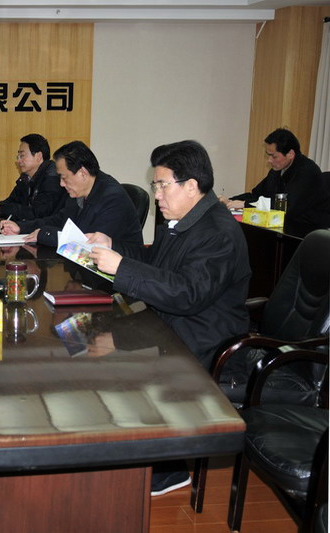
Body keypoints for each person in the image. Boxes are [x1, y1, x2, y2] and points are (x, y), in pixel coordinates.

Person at [89, 140, 251, 497]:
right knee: (97, 339)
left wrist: (122, 268)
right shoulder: (184, 221)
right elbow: (155, 264)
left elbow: (188, 294)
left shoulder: (219, 233)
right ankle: (131, 451)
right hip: (171, 326)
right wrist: (113, 246)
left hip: (205, 341)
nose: (157, 195)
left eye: (162, 185)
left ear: (191, 185)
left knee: (117, 359)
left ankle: (167, 469)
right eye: (155, 185)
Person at [0, 141, 143, 247]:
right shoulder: (79, 191)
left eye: (64, 178)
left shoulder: (112, 199)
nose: (62, 184)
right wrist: (21, 227)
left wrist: (44, 234)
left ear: (82, 173)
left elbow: (86, 243)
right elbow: (60, 220)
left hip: (117, 274)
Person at [221, 128, 330, 234]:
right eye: (268, 155)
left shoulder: (308, 172)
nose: (269, 160)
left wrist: (246, 204)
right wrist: (230, 201)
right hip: (282, 226)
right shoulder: (277, 170)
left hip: (307, 233)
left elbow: (285, 208)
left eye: (274, 156)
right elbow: (257, 195)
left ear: (290, 154)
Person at [0, 133, 63, 220]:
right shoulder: (26, 178)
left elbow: (39, 212)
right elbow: (12, 201)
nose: (18, 161)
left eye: (22, 156)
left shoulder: (52, 177)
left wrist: (2, 209)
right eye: (18, 157)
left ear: (38, 156)